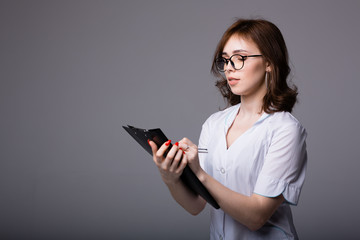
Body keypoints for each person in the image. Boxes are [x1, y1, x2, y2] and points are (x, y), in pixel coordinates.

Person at [148, 18, 307, 240]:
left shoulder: (286, 130)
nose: (230, 67)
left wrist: (200, 174)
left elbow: (256, 216)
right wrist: (170, 177)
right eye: (225, 60)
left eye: (240, 58)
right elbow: (196, 205)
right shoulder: (213, 124)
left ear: (269, 62)